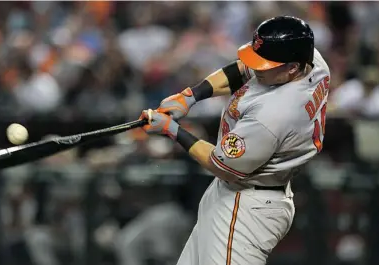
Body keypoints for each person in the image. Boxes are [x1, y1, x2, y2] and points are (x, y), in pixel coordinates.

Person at [139, 16, 330, 265]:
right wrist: (190, 96)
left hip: (247, 204)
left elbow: (221, 165)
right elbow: (243, 68)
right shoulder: (311, 61)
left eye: (265, 65)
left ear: (292, 67)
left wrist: (172, 130)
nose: (257, 68)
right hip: (238, 194)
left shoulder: (275, 114)